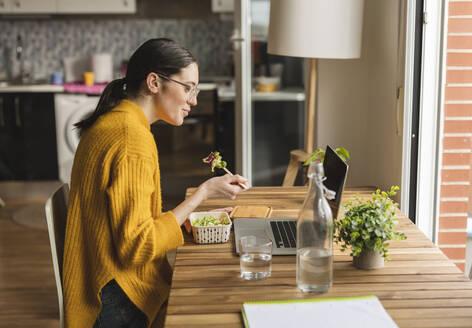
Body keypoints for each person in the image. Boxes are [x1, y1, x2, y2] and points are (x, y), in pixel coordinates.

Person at [63, 38, 248, 328]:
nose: (194, 100)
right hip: (118, 300)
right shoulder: (131, 139)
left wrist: (190, 215)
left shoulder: (115, 122)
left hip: (99, 285)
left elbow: (130, 225)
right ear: (153, 82)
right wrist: (202, 193)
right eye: (188, 88)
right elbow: (137, 246)